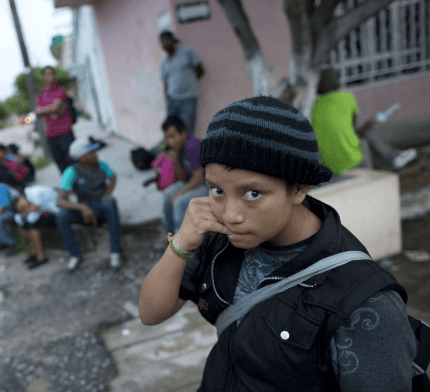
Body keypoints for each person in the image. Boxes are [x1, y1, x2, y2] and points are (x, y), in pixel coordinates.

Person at [139, 96, 417, 391]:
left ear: (297, 188)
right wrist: (181, 242)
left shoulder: (364, 303)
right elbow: (151, 313)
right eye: (217, 189)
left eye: (253, 194)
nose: (231, 215)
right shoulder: (218, 238)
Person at [312, 69, 417, 174]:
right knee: (363, 132)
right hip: (351, 159)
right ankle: (393, 158)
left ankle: (393, 157)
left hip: (328, 164)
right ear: (337, 83)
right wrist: (368, 126)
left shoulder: (314, 107)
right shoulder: (347, 97)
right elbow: (356, 131)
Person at [55, 138, 122, 271]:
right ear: (81, 157)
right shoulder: (71, 172)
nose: (95, 154)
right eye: (91, 152)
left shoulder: (102, 165)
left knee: (110, 202)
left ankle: (115, 252)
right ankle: (75, 254)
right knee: (61, 215)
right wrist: (82, 207)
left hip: (101, 208)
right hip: (84, 210)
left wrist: (107, 194)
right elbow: (60, 200)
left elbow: (113, 177)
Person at [160, 115, 208, 234]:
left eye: (172, 136)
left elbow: (199, 178)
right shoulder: (179, 149)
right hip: (195, 183)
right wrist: (176, 162)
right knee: (167, 194)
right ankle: (169, 236)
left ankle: (181, 246)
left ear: (183, 133)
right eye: (167, 138)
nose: (170, 141)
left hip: (208, 186)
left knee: (179, 202)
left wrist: (180, 193)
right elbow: (184, 178)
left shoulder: (193, 145)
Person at [160, 30, 205, 136]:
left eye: (167, 40)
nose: (165, 44)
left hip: (188, 99)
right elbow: (165, 85)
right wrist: (168, 101)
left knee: (186, 129)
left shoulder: (187, 52)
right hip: (172, 100)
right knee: (172, 129)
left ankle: (188, 152)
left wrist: (190, 84)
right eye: (163, 42)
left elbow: (200, 70)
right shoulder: (164, 62)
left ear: (172, 40)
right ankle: (175, 152)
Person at [36, 66, 75, 174]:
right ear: (43, 77)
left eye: (52, 73)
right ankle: (67, 186)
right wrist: (51, 109)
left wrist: (46, 110)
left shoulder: (61, 90)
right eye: (47, 74)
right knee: (60, 163)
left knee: (72, 161)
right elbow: (37, 112)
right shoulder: (41, 95)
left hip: (65, 132)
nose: (51, 76)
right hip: (50, 135)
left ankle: (79, 184)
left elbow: (55, 108)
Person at [10, 185, 60, 269]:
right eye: (22, 209)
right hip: (48, 213)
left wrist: (25, 212)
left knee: (32, 225)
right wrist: (26, 211)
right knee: (27, 226)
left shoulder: (34, 193)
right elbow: (23, 219)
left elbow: (34, 212)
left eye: (22, 207)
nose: (24, 209)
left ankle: (41, 257)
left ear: (21, 197)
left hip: (58, 212)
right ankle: (35, 253)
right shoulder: (26, 198)